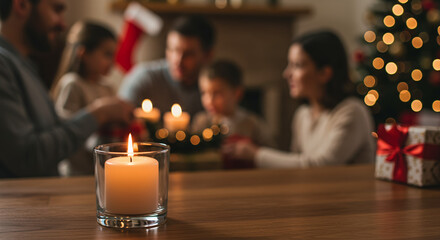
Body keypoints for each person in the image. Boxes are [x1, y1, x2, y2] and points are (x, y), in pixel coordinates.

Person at [0, 0, 133, 178]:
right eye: (57, 9)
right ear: (22, 5)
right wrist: (99, 114)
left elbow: (53, 132)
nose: (63, 24)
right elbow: (28, 157)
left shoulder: (24, 67)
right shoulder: (3, 66)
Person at [223, 30, 375, 168]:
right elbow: (296, 163)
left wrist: (256, 154)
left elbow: (321, 166)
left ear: (324, 73)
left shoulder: (352, 112)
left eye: (297, 65)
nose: (287, 74)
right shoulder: (302, 115)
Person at [51, 21, 118, 176]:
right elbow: (66, 128)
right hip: (76, 172)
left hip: (102, 170)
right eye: (107, 54)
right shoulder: (72, 84)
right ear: (83, 53)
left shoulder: (107, 87)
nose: (112, 62)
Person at [118, 15, 215, 117]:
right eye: (173, 50)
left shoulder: (215, 87)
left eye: (188, 54)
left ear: (207, 55)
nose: (178, 60)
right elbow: (118, 117)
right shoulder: (145, 78)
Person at [192, 59, 273, 147]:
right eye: (204, 93)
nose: (209, 100)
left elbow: (268, 152)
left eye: (217, 93)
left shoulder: (252, 125)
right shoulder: (201, 122)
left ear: (237, 93)